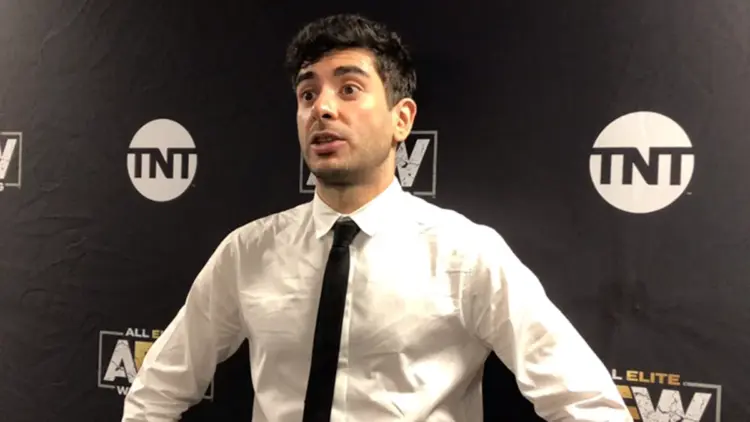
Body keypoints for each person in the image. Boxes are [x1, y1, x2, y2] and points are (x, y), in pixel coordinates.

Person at [122, 13, 632, 422]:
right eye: (307, 94)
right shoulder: (247, 253)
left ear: (401, 119)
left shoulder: (464, 254)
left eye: (348, 89)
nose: (322, 109)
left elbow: (587, 403)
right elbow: (155, 392)